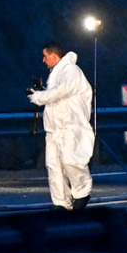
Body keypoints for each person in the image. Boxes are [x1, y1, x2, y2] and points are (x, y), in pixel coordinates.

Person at [28, 41, 94, 211]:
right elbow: (56, 96)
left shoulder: (71, 71)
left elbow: (61, 92)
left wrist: (39, 97)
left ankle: (82, 193)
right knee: (54, 165)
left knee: (72, 161)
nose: (43, 60)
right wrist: (41, 93)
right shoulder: (56, 74)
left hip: (71, 126)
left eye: (45, 56)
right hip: (54, 128)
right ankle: (61, 203)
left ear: (54, 55)